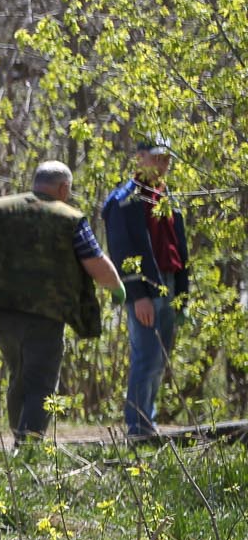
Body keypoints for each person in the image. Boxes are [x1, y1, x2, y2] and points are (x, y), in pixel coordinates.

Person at [0, 161, 126, 442]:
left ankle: (20, 437)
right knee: (41, 380)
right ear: (63, 188)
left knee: (19, 373)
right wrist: (116, 287)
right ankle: (27, 446)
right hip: (45, 314)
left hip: (1, 313)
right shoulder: (69, 217)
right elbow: (95, 261)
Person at [100, 137, 190, 440]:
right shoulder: (124, 200)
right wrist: (138, 295)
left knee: (160, 357)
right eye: (157, 158)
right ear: (140, 158)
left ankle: (147, 421)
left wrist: (184, 298)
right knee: (147, 355)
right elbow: (123, 251)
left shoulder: (167, 198)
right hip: (145, 289)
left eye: (167, 159)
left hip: (170, 284)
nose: (163, 165)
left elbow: (180, 248)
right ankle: (138, 427)